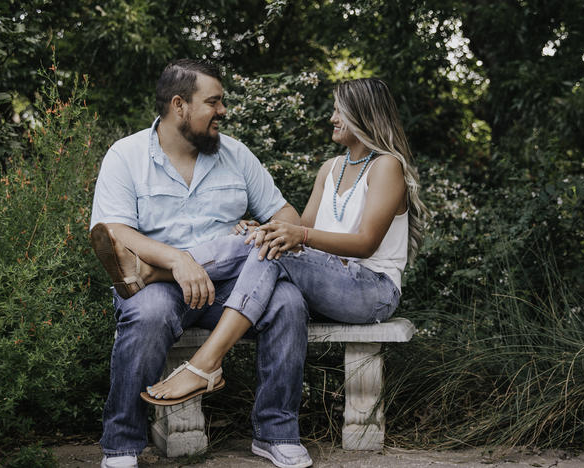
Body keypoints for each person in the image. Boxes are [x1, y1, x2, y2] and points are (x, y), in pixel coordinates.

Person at [122, 78, 426, 419]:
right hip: (331, 282)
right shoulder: (331, 169)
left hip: (371, 291)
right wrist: (265, 230)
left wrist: (296, 237)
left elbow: (365, 243)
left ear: (363, 116)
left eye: (340, 110)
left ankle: (172, 302)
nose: (332, 117)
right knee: (265, 243)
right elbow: (302, 231)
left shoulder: (386, 166)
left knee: (273, 249)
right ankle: (185, 324)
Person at [89, 59, 312, 468]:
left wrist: (260, 231)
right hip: (159, 287)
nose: (223, 111)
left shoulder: (236, 155)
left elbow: (289, 219)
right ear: (180, 105)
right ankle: (121, 445)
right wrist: (177, 260)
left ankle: (275, 433)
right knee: (147, 311)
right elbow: (116, 232)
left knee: (287, 302)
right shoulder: (126, 156)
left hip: (229, 288)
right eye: (214, 102)